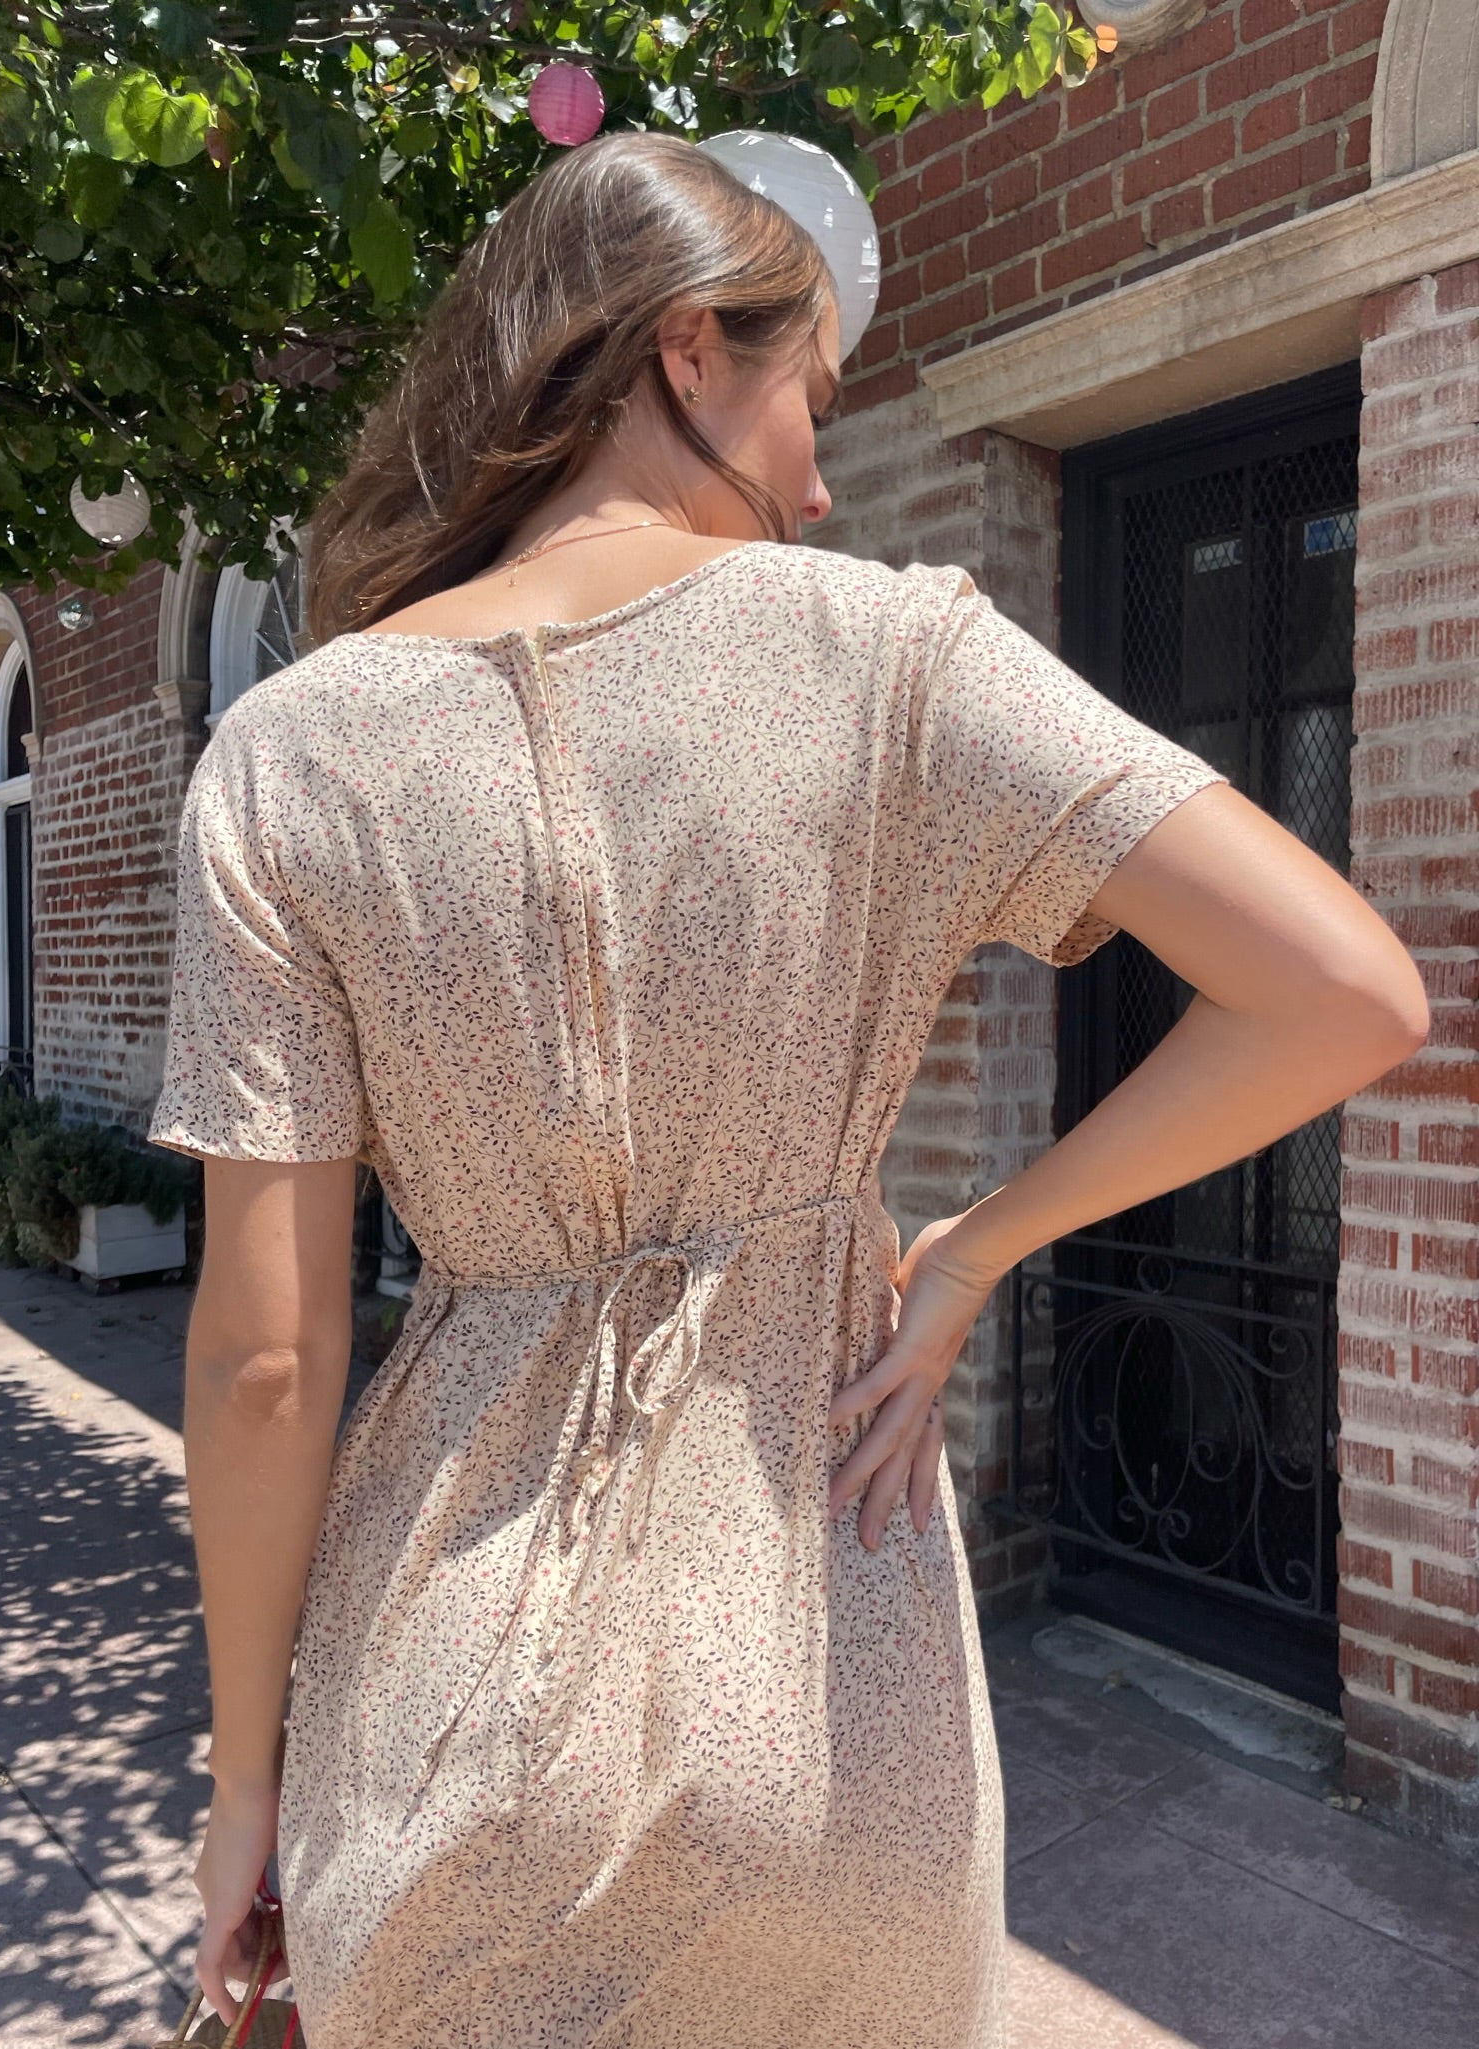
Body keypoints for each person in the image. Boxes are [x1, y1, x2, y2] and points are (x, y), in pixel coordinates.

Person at [146, 128, 1430, 2049]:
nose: (822, 478)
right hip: (827, 1682)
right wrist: (978, 1245)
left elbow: (265, 1359)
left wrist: (248, 1781)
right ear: (687, 353)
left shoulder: (284, 754)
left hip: (439, 1708)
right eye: (811, 395)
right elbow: (1348, 990)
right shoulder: (896, 653)